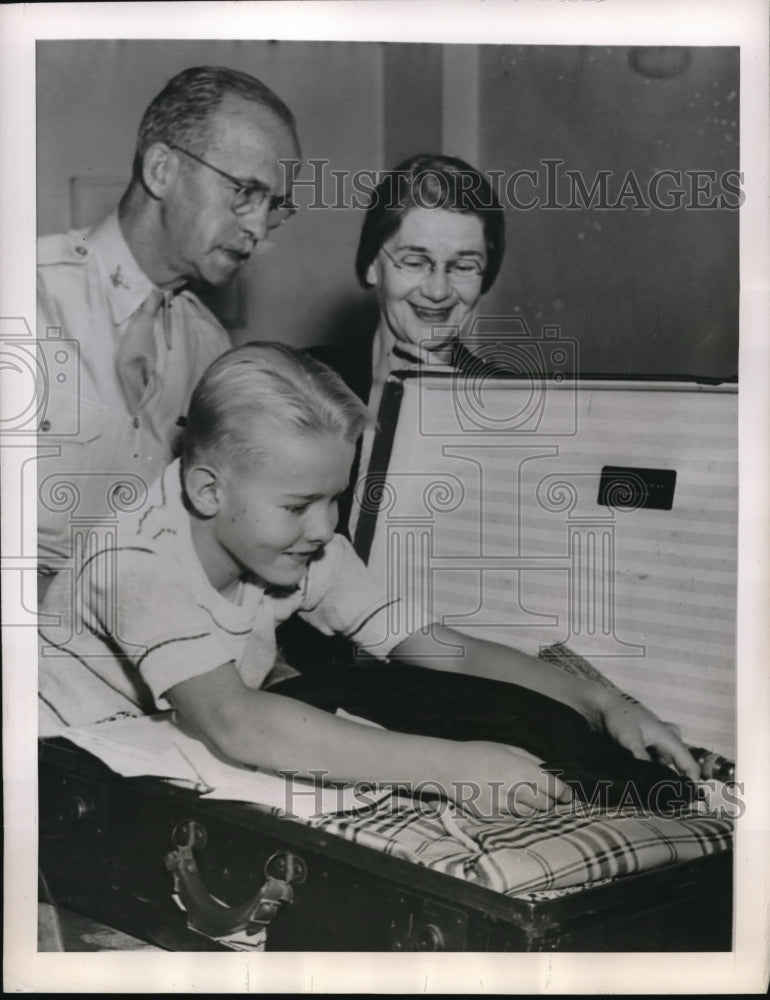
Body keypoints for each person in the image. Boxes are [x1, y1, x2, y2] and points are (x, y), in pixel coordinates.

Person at [38, 343, 700, 816]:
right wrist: (453, 767)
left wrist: (602, 703)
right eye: (299, 505)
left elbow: (443, 648)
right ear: (207, 489)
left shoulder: (300, 542)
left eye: (336, 498)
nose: (327, 527)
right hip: (55, 769)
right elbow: (236, 721)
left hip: (160, 748)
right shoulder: (137, 561)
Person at [37, 66, 301, 596]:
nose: (257, 227)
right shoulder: (23, 294)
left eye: (273, 206)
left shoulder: (209, 348)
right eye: (245, 192)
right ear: (161, 170)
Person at [310, 153, 508, 538]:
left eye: (464, 266)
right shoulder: (302, 381)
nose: (438, 290)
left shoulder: (509, 405)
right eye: (414, 261)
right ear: (372, 266)